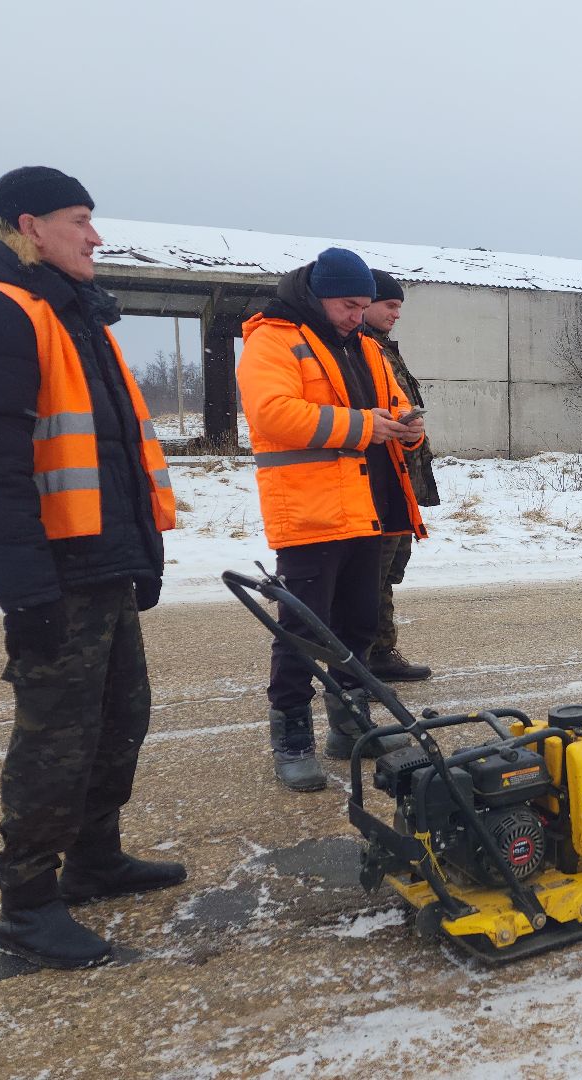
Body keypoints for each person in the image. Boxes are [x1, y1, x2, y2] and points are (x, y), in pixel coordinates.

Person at [0, 166, 186, 970]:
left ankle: (95, 860)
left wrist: (141, 554)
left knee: (119, 722)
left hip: (103, 563)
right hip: (56, 575)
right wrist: (25, 592)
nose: (96, 236)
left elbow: (108, 456)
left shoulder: (72, 315)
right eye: (81, 220)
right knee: (55, 743)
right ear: (28, 225)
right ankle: (27, 909)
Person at [237, 249, 427, 791]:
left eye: (363, 305)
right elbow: (273, 413)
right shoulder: (273, 338)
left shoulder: (366, 347)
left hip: (367, 507)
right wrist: (367, 425)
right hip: (311, 511)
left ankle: (350, 726)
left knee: (357, 624)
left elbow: (391, 404)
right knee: (303, 630)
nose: (356, 315)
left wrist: (407, 427)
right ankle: (292, 738)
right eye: (349, 305)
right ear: (318, 295)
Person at [359, 270, 441, 682]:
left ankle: (379, 653)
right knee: (371, 575)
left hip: (399, 476)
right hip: (378, 480)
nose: (396, 315)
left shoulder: (382, 349)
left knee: (388, 572)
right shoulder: (359, 351)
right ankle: (365, 661)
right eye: (390, 306)